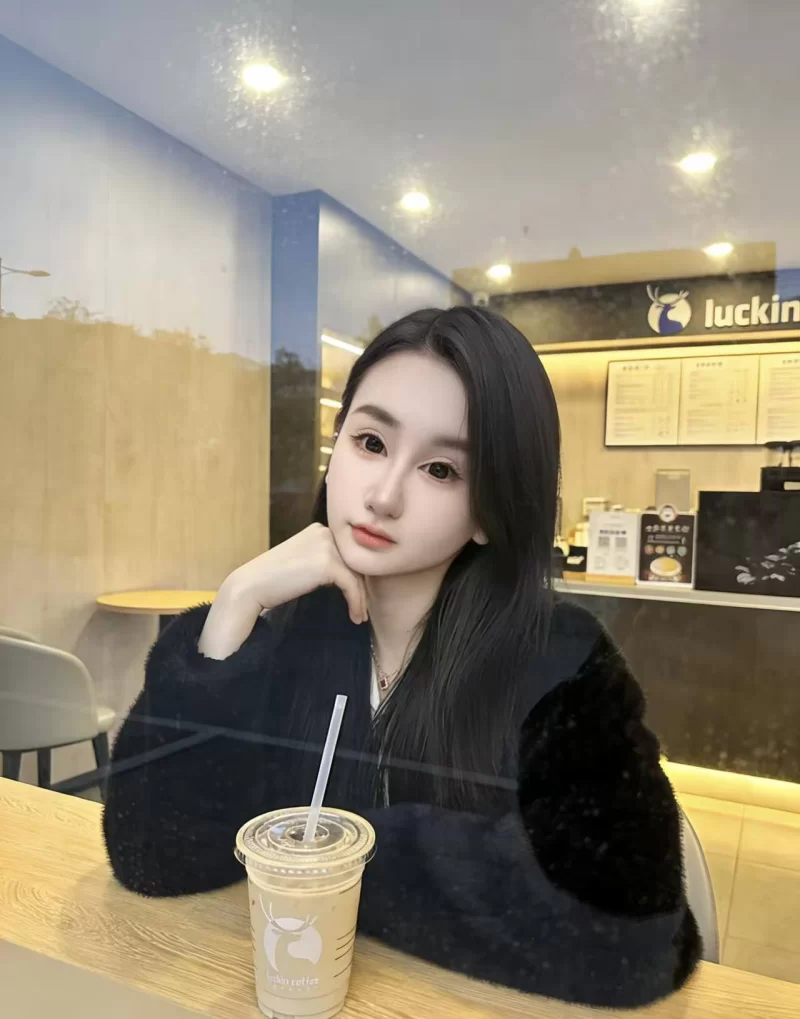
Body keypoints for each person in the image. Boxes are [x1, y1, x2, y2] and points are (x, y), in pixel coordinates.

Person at [103, 306, 701, 1007]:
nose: (383, 496)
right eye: (370, 442)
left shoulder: (559, 662)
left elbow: (633, 936)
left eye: (441, 469)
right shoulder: (286, 634)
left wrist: (343, 857)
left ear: (491, 511)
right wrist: (231, 613)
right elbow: (151, 857)